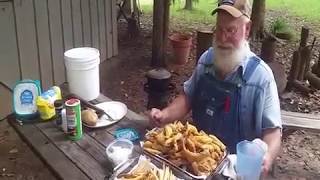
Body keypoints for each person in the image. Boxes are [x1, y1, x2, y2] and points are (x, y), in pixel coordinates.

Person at [149, 0, 282, 176]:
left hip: (237, 171)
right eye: (219, 28)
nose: (222, 38)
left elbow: (273, 131)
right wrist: (165, 115)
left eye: (230, 30)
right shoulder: (206, 60)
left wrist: (267, 156)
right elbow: (188, 97)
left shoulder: (261, 78)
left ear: (247, 29)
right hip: (195, 166)